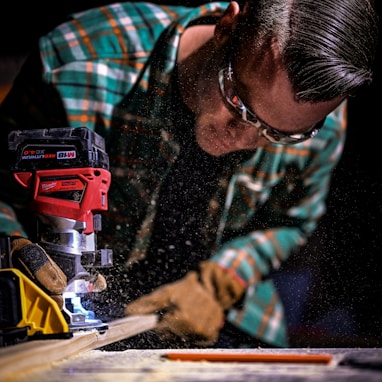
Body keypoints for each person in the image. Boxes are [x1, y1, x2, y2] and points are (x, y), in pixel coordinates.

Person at [0, 0, 379, 348]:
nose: (243, 139)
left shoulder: (317, 121)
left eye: (277, 134)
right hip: (74, 316)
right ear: (228, 26)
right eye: (239, 101)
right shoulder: (74, 65)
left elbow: (292, 222)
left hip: (229, 318)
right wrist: (9, 243)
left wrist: (219, 282)